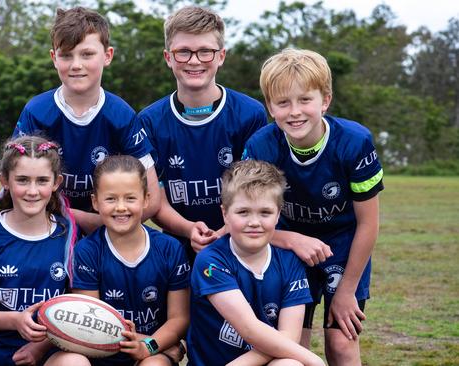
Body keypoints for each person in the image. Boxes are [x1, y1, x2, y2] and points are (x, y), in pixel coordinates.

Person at [243, 48, 384, 366]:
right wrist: (291, 239)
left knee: (341, 343)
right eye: (283, 103)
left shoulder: (354, 143)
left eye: (305, 100)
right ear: (270, 106)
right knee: (293, 348)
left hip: (344, 248)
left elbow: (368, 224)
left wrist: (347, 291)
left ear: (326, 100)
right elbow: (248, 221)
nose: (295, 112)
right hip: (287, 248)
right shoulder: (261, 147)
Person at [12, 7, 161, 235]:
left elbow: (152, 200)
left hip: (108, 231)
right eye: (66, 55)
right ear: (54, 58)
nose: (76, 65)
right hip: (46, 227)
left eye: (87, 54)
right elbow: (14, 185)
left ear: (107, 55)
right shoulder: (37, 111)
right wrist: (64, 217)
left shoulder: (121, 115)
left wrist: (94, 222)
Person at [138, 6, 267, 261]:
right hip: (179, 248)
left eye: (205, 51)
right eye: (183, 52)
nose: (194, 61)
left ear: (221, 56)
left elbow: (258, 191)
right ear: (168, 57)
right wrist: (189, 230)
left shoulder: (250, 114)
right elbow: (156, 199)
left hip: (241, 244)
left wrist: (226, 231)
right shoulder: (149, 121)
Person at [0, 135, 87, 366]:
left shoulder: (68, 235)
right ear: (4, 180)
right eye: (22, 180)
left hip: (46, 355)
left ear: (56, 183)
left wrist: (40, 346)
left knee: (74, 362)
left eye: (42, 181)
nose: (32, 191)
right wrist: (14, 320)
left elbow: (78, 307)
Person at [187, 160, 325, 366]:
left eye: (265, 212)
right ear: (225, 213)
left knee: (290, 364)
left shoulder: (290, 263)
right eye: (243, 212)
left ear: (278, 214)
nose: (254, 222)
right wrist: (314, 360)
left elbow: (289, 339)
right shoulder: (210, 260)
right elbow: (250, 329)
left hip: (260, 362)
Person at [72, 155, 191, 366]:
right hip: (100, 354)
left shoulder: (170, 248)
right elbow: (91, 325)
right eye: (110, 199)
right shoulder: (86, 251)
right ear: (95, 202)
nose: (120, 207)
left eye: (130, 198)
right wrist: (141, 341)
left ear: (146, 199)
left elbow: (179, 318)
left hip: (153, 352)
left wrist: (149, 346)